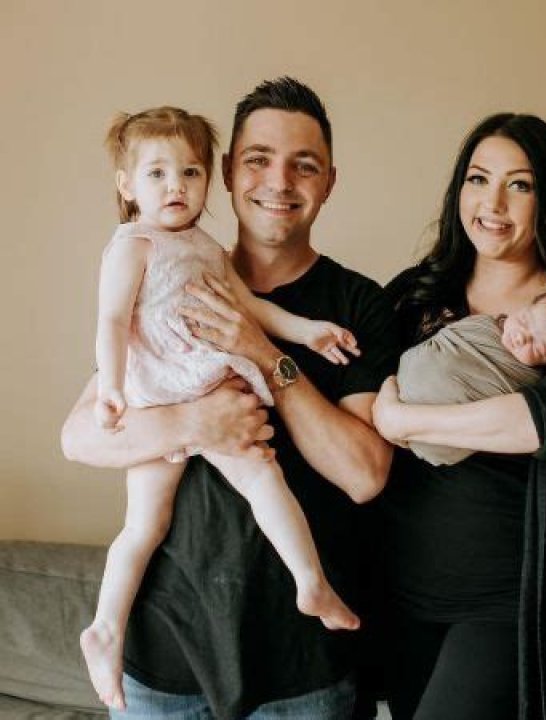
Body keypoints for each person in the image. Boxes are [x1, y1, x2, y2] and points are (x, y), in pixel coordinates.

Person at [62, 78, 397, 720]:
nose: (279, 181)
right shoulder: (156, 277)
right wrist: (195, 421)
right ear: (228, 173)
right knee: (145, 521)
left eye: (304, 165)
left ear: (329, 182)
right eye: (258, 159)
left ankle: (311, 585)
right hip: (166, 655)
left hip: (302, 667)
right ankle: (105, 631)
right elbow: (78, 438)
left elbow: (365, 476)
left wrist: (268, 353)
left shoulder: (357, 304)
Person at [371, 113, 546, 720]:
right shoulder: (415, 293)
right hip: (404, 590)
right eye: (478, 179)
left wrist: (404, 424)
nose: (493, 203)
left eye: (520, 185)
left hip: (511, 596)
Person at [397, 282, 546, 465]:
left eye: (538, 347)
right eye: (524, 320)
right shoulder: (485, 324)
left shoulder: (526, 381)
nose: (521, 337)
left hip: (431, 434)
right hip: (405, 382)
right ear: (525, 306)